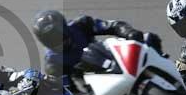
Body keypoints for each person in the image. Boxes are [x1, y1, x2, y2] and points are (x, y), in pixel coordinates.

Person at [32, 10, 164, 83]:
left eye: (57, 34)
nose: (56, 41)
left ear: (64, 27)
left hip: (112, 57)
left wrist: (129, 33)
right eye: (49, 39)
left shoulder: (81, 24)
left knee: (149, 38)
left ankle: (169, 72)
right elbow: (66, 90)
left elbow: (113, 26)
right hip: (97, 85)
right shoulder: (52, 63)